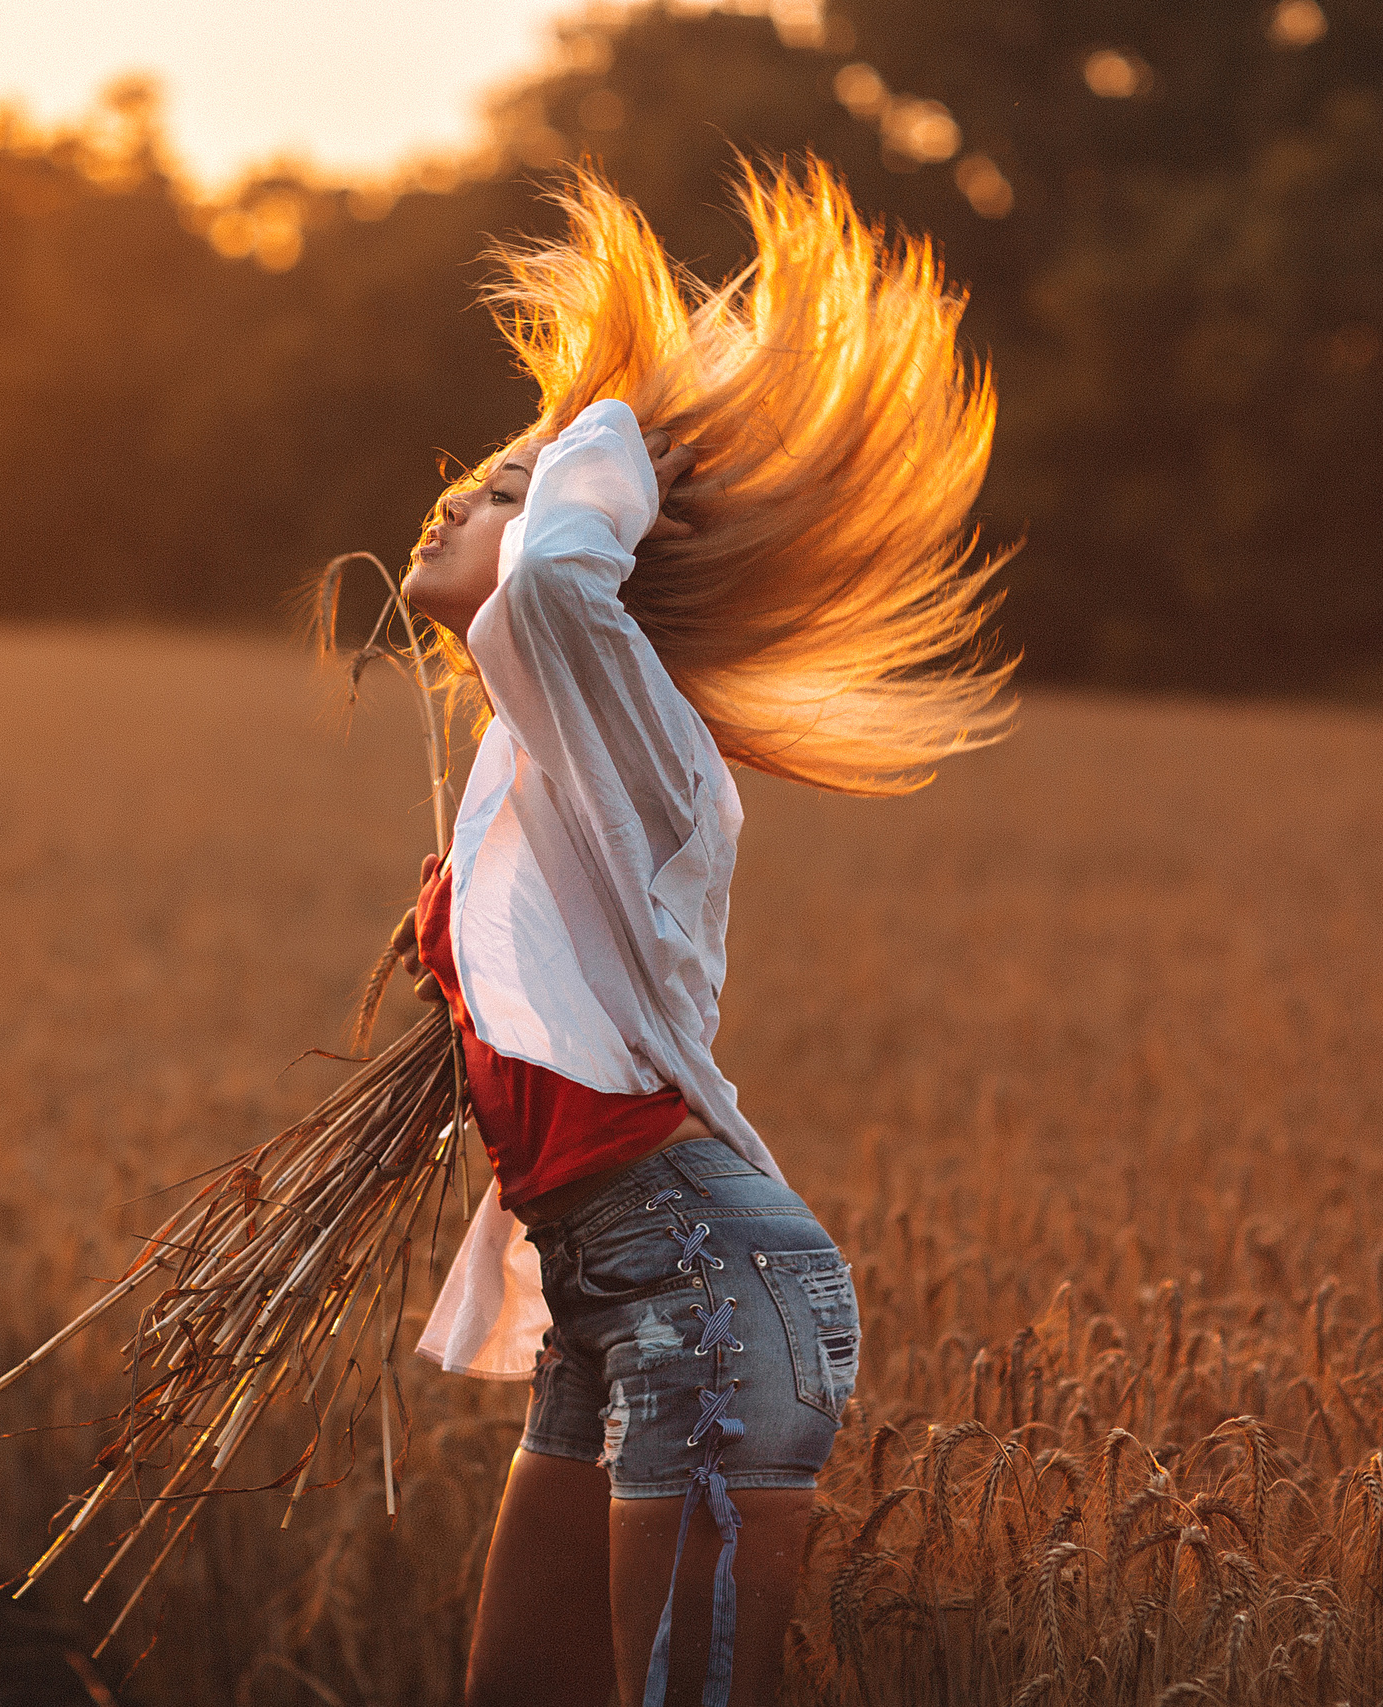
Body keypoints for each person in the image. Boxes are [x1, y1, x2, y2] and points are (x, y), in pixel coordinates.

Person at [391, 160, 1012, 1707]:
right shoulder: (549, 763)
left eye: (504, 487)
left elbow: (551, 581)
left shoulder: (635, 726)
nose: (464, 494)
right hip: (614, 1287)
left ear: (593, 543)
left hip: (712, 1286)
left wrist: (598, 424)